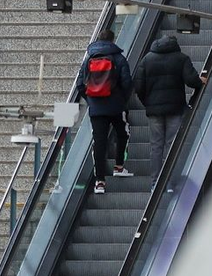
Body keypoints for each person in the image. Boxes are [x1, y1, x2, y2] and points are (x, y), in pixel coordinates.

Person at [134, 32, 203, 182]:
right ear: (175, 44)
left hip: (154, 111)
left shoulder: (147, 60)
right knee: (172, 145)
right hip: (175, 109)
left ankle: (155, 182)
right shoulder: (181, 58)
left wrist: (148, 103)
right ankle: (171, 181)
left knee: (156, 146)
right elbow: (192, 81)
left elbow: (138, 86)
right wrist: (200, 81)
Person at [81, 24, 133, 195]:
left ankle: (100, 182)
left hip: (96, 108)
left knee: (99, 143)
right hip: (116, 106)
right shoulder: (118, 58)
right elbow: (126, 83)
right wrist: (121, 100)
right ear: (112, 40)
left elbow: (80, 84)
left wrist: (90, 99)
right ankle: (119, 166)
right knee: (123, 132)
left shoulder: (89, 58)